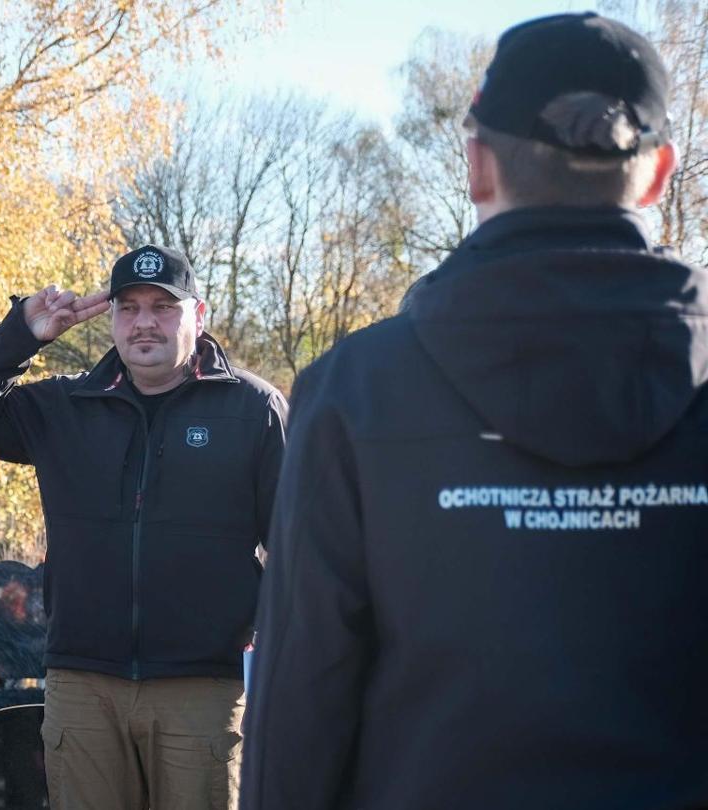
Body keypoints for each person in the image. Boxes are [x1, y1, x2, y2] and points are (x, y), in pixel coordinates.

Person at [242, 13, 708, 808]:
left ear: (476, 166)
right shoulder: (353, 391)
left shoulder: (354, 390)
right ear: (661, 171)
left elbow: (301, 697)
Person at [0, 246, 286, 810]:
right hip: (83, 683)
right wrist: (23, 333)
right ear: (112, 318)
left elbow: (296, 551)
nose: (145, 322)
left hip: (205, 689)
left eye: (163, 307)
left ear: (198, 315)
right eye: (129, 307)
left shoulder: (252, 409)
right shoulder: (65, 405)